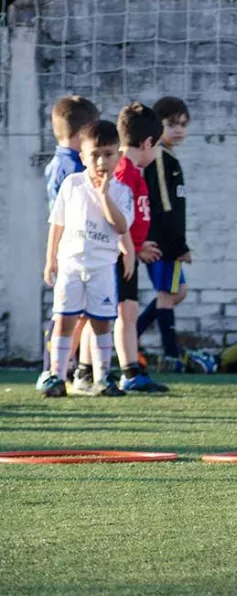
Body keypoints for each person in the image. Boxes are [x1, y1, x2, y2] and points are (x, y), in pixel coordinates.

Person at [41, 120, 134, 398]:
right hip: (71, 265)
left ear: (119, 156)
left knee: (101, 322)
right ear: (83, 157)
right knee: (65, 320)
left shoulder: (121, 192)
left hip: (102, 268)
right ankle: (56, 376)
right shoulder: (72, 184)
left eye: (108, 154)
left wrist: (104, 195)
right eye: (95, 155)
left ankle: (102, 377)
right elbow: (56, 223)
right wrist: (51, 260)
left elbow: (120, 226)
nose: (102, 161)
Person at [35, 95, 100, 393]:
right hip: (74, 248)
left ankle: (69, 368)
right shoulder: (72, 168)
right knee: (66, 314)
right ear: (82, 133)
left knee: (76, 313)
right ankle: (51, 369)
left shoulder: (58, 163)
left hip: (74, 248)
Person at [113, 102, 169, 393]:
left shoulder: (132, 170)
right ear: (147, 142)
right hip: (119, 256)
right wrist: (131, 248)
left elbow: (131, 217)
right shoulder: (124, 172)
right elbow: (115, 217)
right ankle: (73, 369)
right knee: (116, 314)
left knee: (129, 312)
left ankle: (130, 371)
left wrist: (138, 244)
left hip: (130, 253)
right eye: (156, 145)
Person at [137, 95, 192, 373]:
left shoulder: (170, 156)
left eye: (183, 124)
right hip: (162, 242)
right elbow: (164, 206)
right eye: (171, 124)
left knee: (176, 292)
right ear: (157, 126)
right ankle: (171, 356)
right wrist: (178, 244)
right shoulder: (159, 156)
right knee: (168, 294)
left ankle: (130, 336)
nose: (178, 129)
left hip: (166, 240)